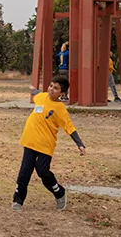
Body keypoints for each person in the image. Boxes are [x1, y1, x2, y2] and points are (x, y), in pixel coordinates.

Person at [12, 76, 86, 212]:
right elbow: (37, 93)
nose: (51, 89)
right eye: (51, 86)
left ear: (62, 93)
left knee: (43, 171)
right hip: (30, 141)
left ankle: (59, 192)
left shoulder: (60, 109)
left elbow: (69, 127)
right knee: (24, 172)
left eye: (56, 88)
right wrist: (33, 89)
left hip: (45, 144)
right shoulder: (41, 97)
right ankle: (18, 200)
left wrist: (80, 144)